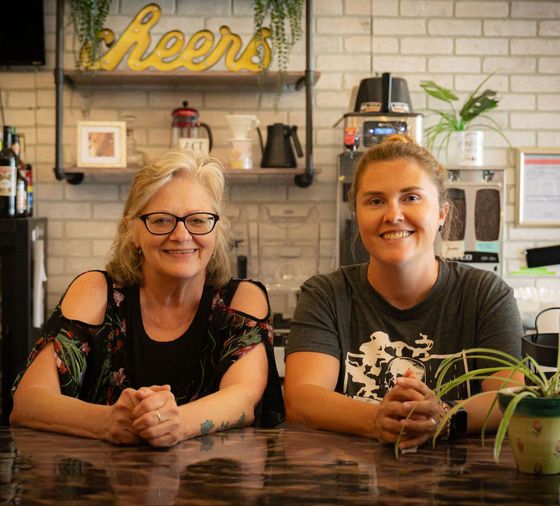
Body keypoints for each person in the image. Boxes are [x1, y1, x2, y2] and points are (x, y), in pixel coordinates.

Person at [11, 150, 284, 447]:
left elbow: (243, 399)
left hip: (211, 484)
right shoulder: (95, 292)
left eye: (198, 220)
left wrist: (175, 423)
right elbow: (28, 401)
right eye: (162, 220)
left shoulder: (242, 300)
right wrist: (107, 421)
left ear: (216, 230)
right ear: (133, 230)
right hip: (99, 487)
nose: (181, 235)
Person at [284, 134, 523, 450]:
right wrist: (376, 419)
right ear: (357, 215)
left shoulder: (486, 294)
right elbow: (302, 399)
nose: (393, 215)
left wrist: (443, 417)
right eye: (375, 201)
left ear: (441, 213)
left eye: (411, 198)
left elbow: (508, 398)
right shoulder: (325, 295)